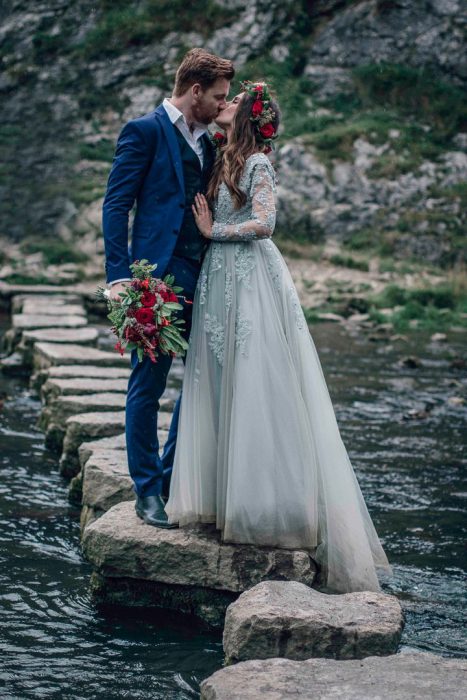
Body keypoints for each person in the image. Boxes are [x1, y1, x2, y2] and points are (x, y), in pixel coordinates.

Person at [164, 81, 392, 593]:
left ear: (246, 116)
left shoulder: (257, 164)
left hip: (250, 279)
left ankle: (268, 505)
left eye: (236, 99)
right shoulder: (222, 157)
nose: (226, 101)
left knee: (257, 380)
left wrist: (213, 232)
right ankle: (222, 500)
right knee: (218, 377)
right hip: (220, 278)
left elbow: (265, 223)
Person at [102, 48, 235, 528]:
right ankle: (147, 490)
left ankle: (175, 474)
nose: (223, 105)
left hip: (209, 275)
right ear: (193, 90)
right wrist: (120, 278)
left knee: (201, 383)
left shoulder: (213, 140)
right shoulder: (144, 131)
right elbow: (116, 206)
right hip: (154, 279)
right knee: (148, 384)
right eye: (218, 97)